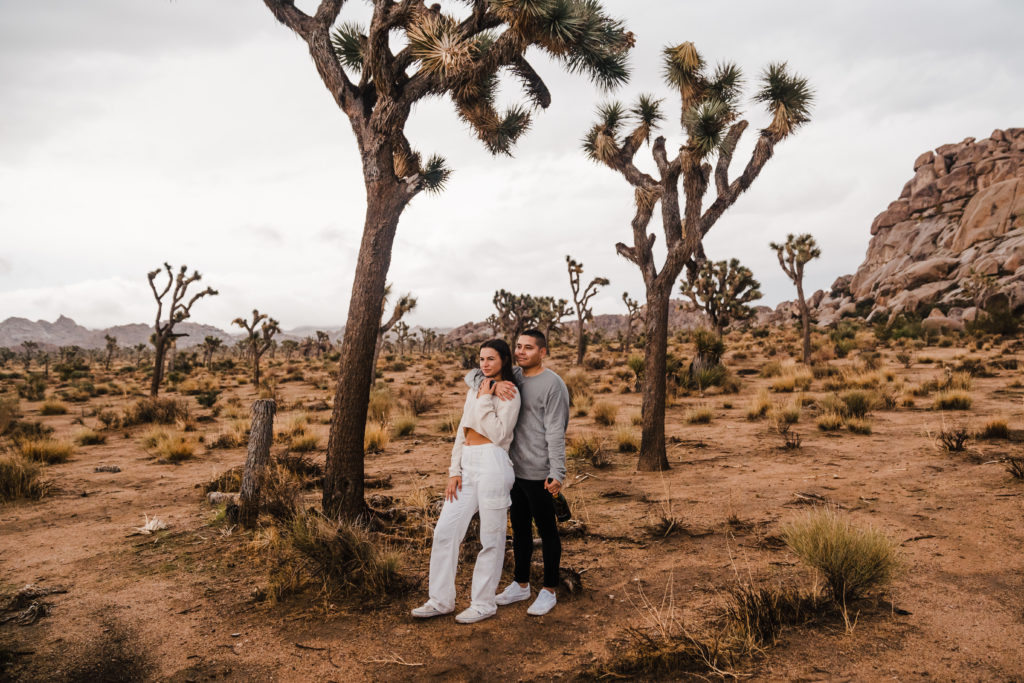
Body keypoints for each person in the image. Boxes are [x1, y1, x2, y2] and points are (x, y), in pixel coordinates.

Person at [411, 339, 521, 624]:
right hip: (468, 465)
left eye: (491, 359)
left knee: (491, 538)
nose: (484, 364)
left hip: (494, 464)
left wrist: (487, 396)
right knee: (445, 532)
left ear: (504, 361)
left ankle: (484, 604)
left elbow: (499, 433)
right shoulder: (476, 388)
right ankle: (440, 600)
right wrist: (453, 471)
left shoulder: (510, 393)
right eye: (481, 359)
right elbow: (462, 430)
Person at [466, 329, 570, 617]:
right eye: (519, 347)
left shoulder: (553, 385)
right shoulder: (513, 376)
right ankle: (521, 584)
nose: (522, 352)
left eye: (529, 348)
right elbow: (471, 375)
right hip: (512, 469)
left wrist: (557, 471)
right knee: (521, 529)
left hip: (539, 471)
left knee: (547, 530)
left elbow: (556, 431)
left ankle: (549, 590)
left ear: (543, 352)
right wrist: (491, 384)